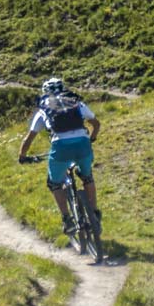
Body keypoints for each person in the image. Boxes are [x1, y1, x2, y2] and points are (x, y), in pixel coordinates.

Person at [18, 76, 99, 233]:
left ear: (45, 92)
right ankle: (94, 213)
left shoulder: (44, 109)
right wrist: (92, 138)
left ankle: (67, 219)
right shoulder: (76, 102)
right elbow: (96, 124)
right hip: (83, 143)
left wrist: (22, 156)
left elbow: (29, 139)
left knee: (54, 183)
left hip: (60, 147)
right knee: (87, 177)